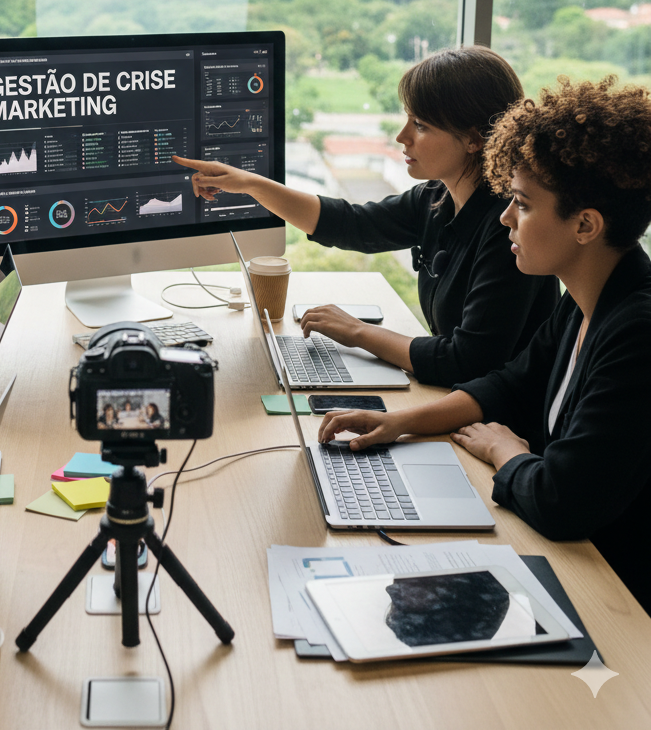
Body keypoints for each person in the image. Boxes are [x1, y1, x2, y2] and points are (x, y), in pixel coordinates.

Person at [318, 76, 651, 614]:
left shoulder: (637, 330)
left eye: (521, 204)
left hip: (616, 595)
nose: (504, 218)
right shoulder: (586, 300)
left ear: (585, 224)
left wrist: (504, 450)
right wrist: (402, 422)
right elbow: (510, 383)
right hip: (577, 563)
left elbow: (561, 500)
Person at [174, 46, 559, 387]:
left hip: (501, 427)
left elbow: (466, 361)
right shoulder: (438, 198)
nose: (402, 136)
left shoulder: (509, 227)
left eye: (421, 125)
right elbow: (352, 224)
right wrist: (252, 184)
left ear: (474, 139)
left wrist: (356, 332)